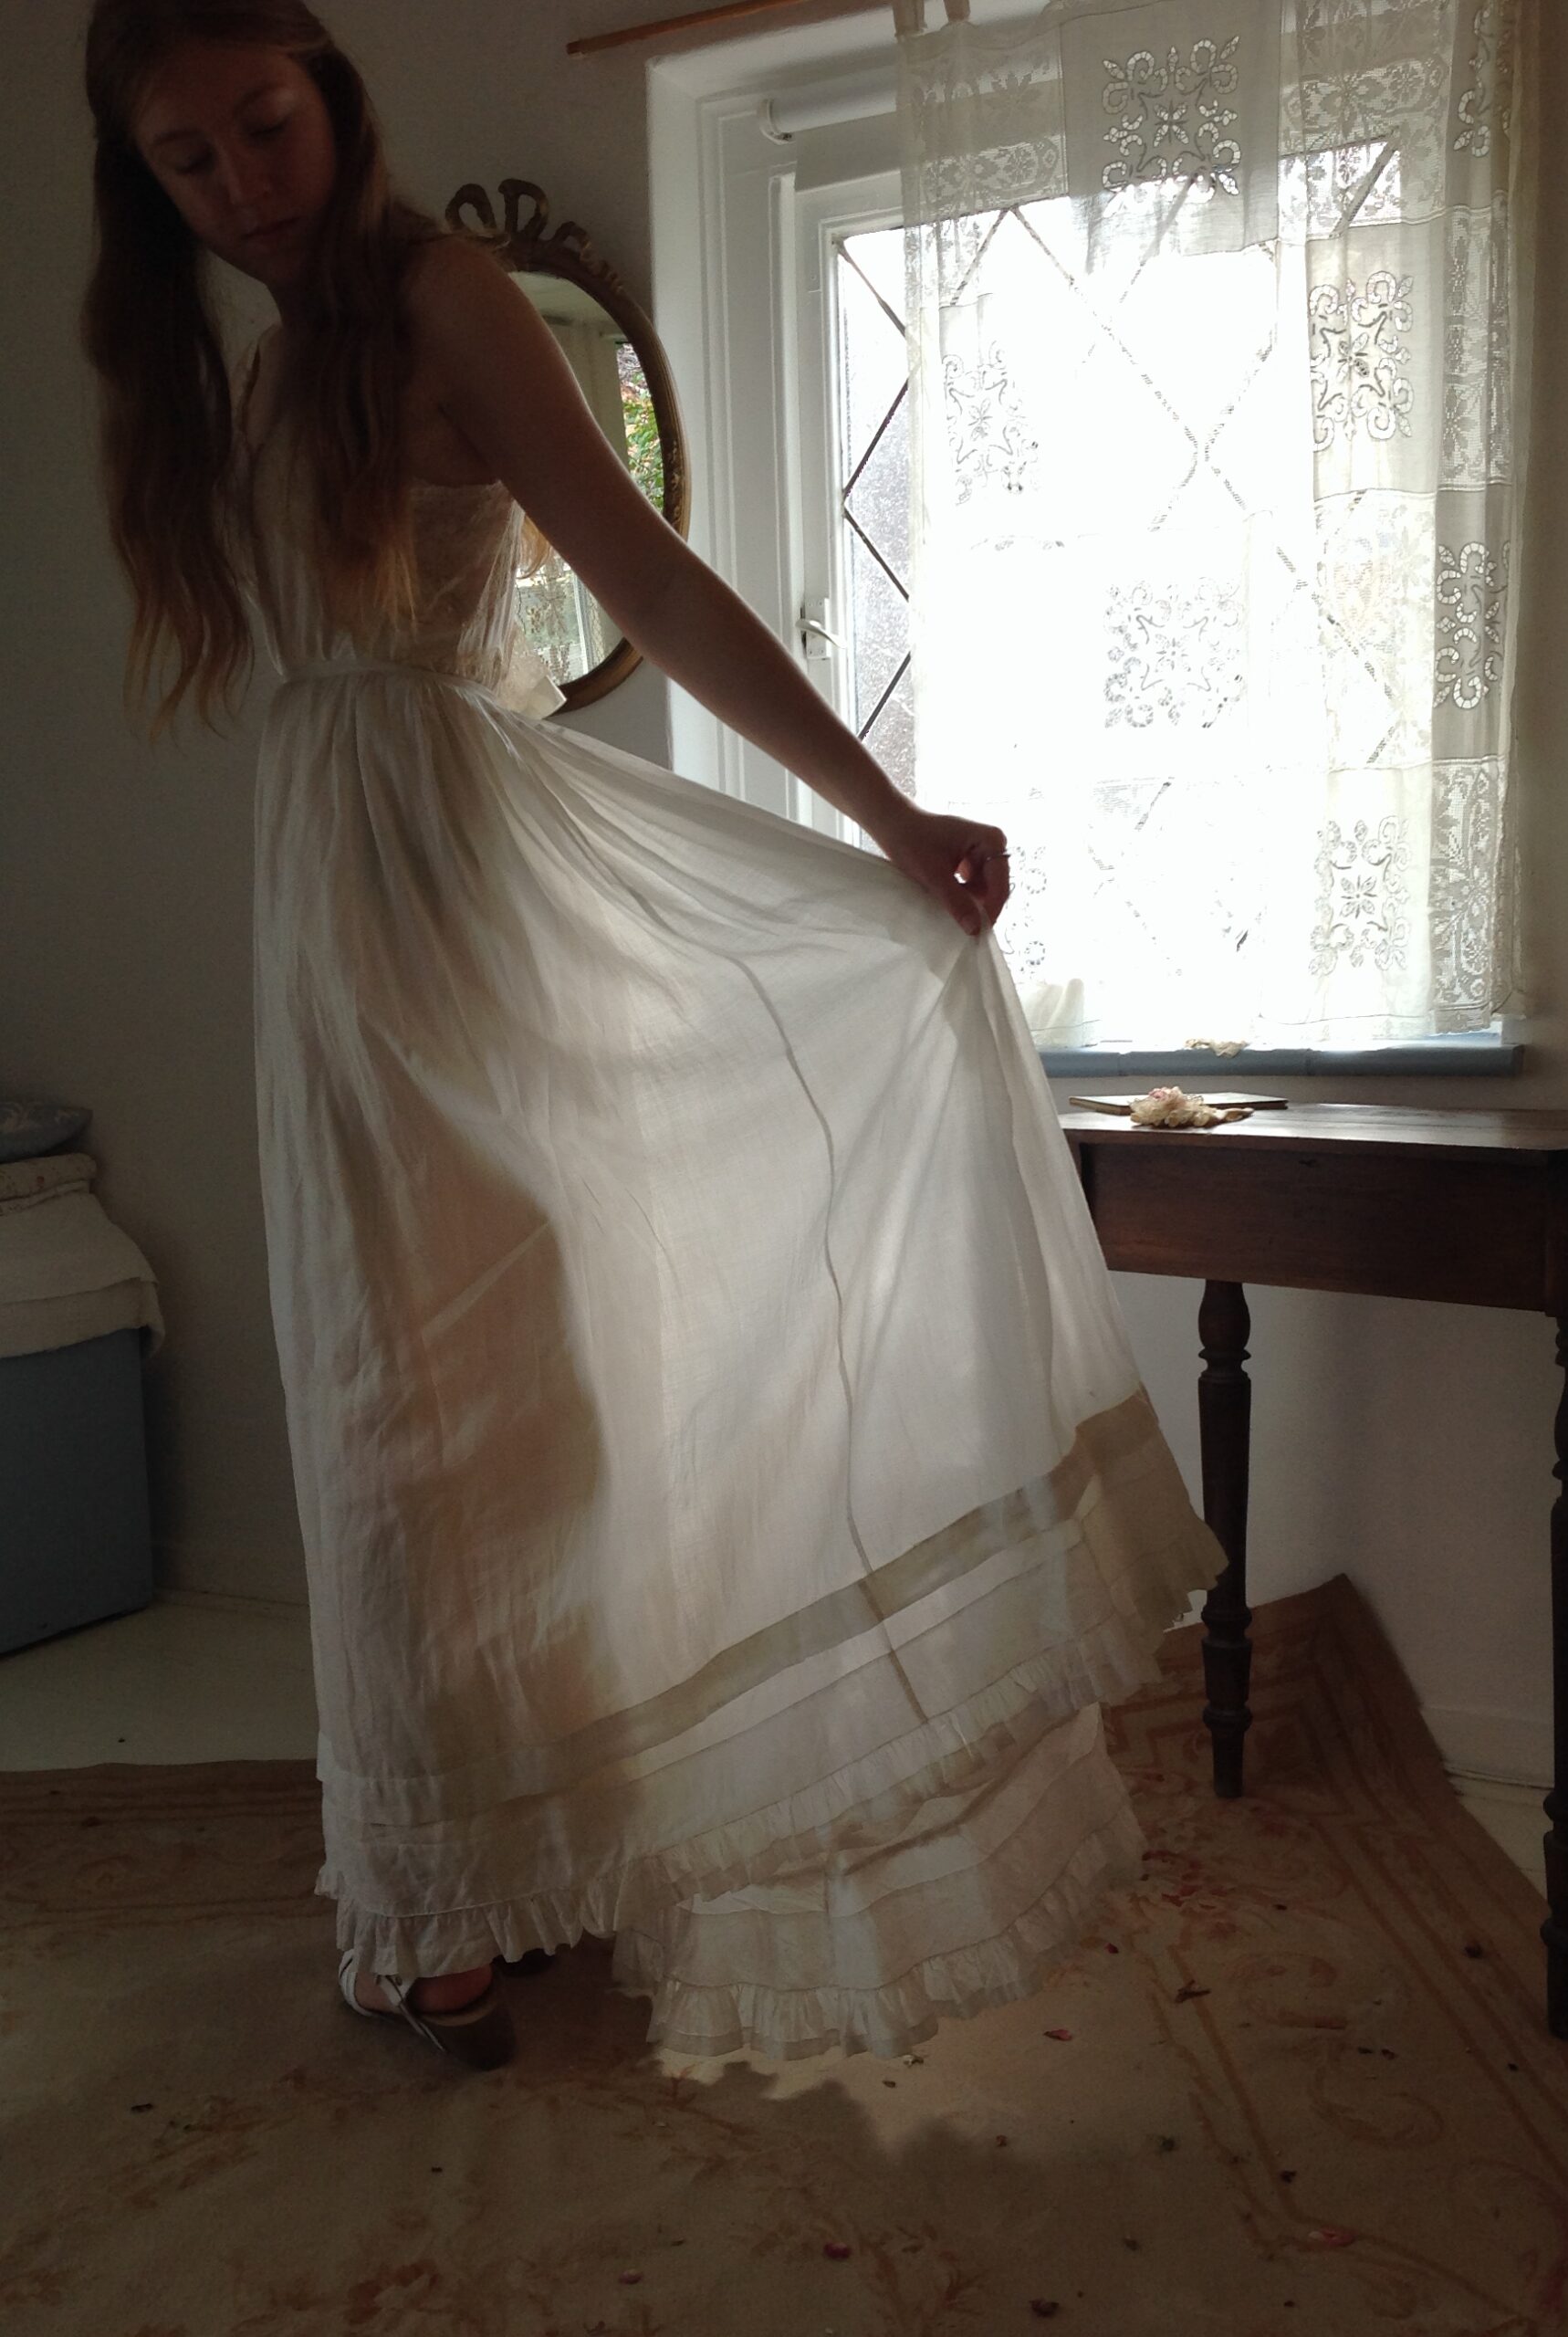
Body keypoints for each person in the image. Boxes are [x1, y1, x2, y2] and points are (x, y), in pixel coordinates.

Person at [83, 0, 1225, 2072]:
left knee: (449, 1396)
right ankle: (497, 1857)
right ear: (142, 181)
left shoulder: (440, 297)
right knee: (419, 1391)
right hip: (336, 900)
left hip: (451, 882)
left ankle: (465, 1895)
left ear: (333, 99)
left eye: (267, 125)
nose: (244, 184)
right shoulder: (246, 365)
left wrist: (883, 814)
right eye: (192, 157)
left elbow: (654, 579)